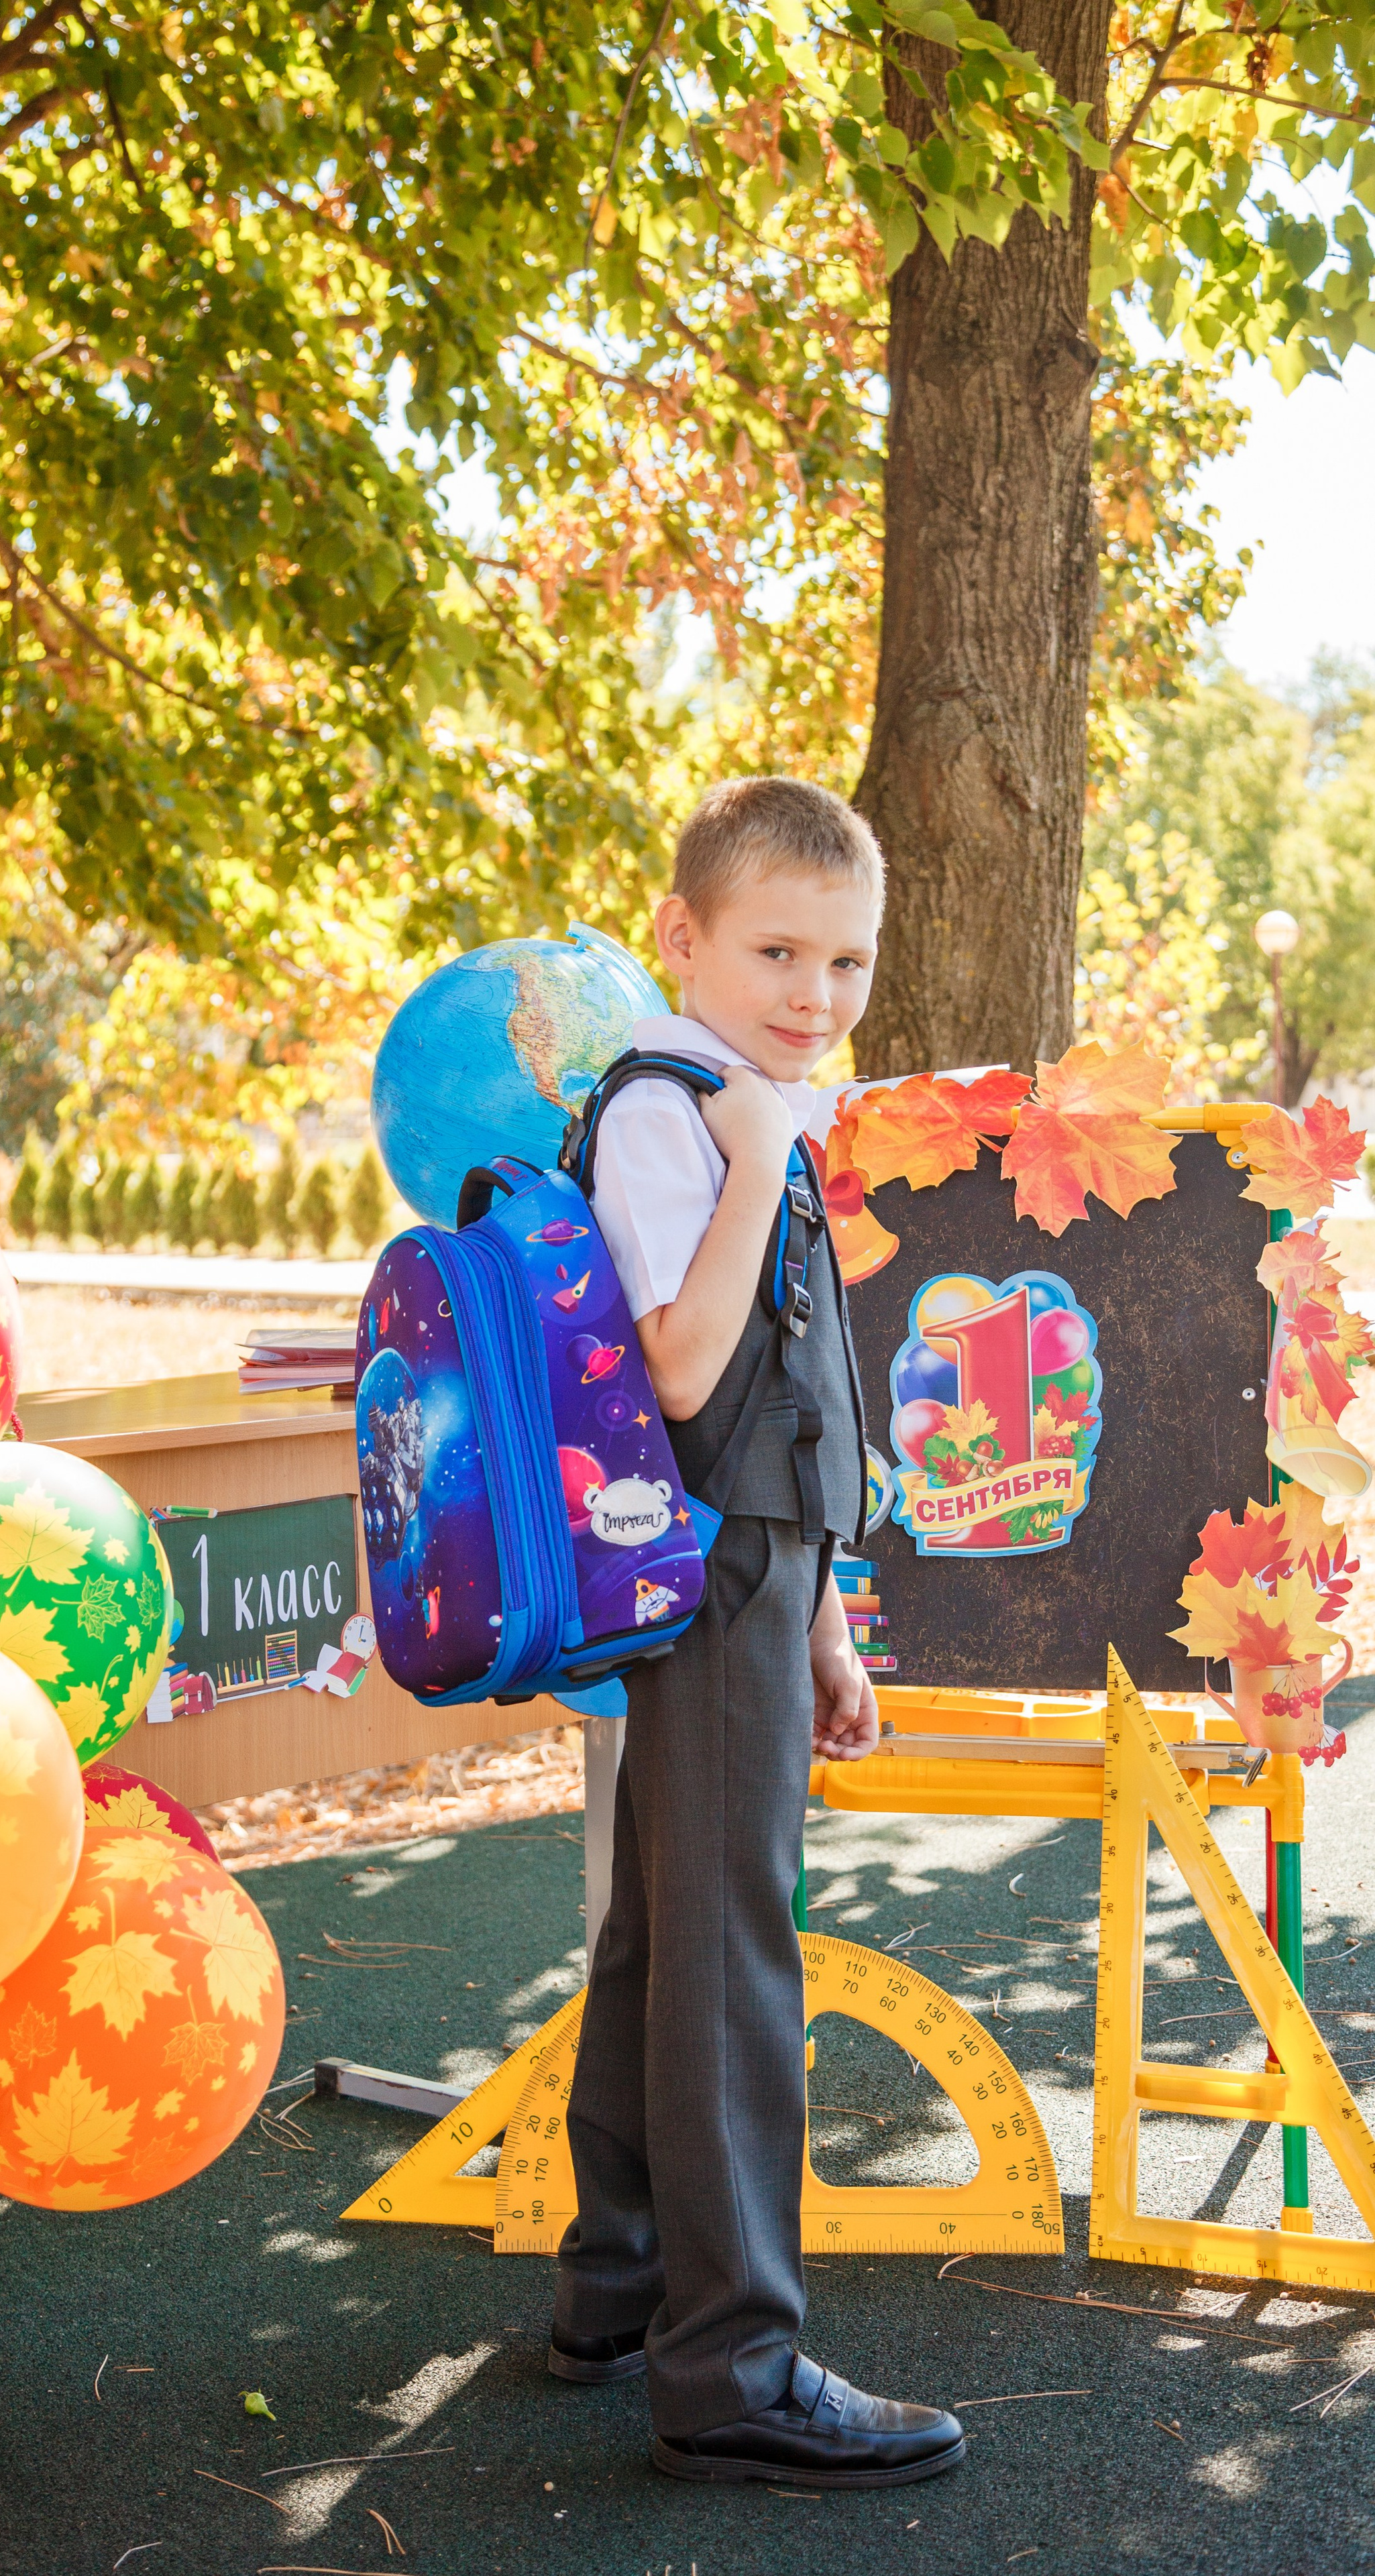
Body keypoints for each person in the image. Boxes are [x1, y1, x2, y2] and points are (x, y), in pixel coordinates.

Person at [547, 776, 965, 2492]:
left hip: (749, 1584)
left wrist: (818, 1630)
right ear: (681, 939)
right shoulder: (682, 1108)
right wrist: (756, 1163)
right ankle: (732, 2362)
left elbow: (789, 1408)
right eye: (776, 949)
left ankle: (617, 2286)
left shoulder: (751, 1108)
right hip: (702, 1580)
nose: (814, 994)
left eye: (847, 963)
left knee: (666, 1928)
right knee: (730, 1954)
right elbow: (681, 1368)